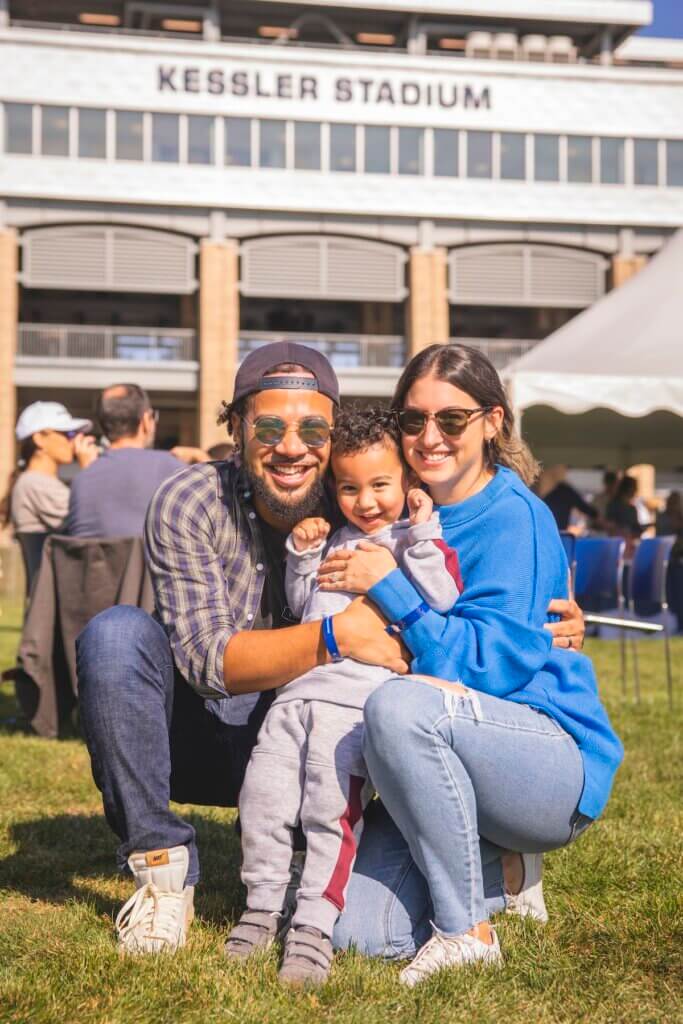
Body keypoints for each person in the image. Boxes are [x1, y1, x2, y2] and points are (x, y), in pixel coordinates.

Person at [75, 342, 585, 957]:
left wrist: (546, 620)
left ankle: (489, 851)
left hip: (339, 734)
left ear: (336, 434)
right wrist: (339, 635)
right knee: (114, 636)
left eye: (313, 428)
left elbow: (467, 551)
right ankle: (162, 877)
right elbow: (209, 665)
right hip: (216, 729)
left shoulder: (359, 488)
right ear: (235, 428)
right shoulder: (195, 499)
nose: (292, 447)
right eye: (268, 426)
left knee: (361, 935)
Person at [330, 344, 623, 985]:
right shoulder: (390, 507)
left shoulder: (516, 517)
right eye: (413, 420)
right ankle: (500, 867)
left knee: (400, 706)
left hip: (545, 755)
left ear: (492, 421)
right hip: (437, 751)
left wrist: (390, 588)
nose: (429, 437)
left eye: (451, 420)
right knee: (362, 938)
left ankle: (467, 931)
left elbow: (488, 669)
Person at [225, 407, 461, 987]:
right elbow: (306, 603)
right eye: (350, 487)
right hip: (294, 700)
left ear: (408, 483)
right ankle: (262, 906)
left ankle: (312, 927)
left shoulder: (412, 543)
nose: (367, 500)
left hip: (353, 710)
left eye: (381, 484)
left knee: (329, 813)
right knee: (263, 802)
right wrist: (304, 555)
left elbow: (443, 595)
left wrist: (423, 532)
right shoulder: (335, 538)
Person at [65, 384, 183, 538]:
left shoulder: (80, 480)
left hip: (94, 562)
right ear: (146, 420)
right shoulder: (174, 470)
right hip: (149, 562)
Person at [1, 401, 97, 534]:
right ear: (39, 439)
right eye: (67, 434)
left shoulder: (36, 482)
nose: (73, 440)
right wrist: (90, 471)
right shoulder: (36, 483)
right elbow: (93, 521)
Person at [538, 464, 599, 532]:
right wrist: (596, 515)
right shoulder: (565, 492)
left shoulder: (551, 495)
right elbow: (583, 506)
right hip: (558, 531)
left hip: (550, 531)